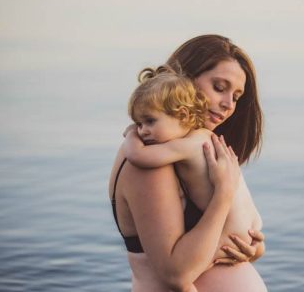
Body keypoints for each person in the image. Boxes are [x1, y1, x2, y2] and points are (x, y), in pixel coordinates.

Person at [109, 34, 267, 291]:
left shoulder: (196, 147)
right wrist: (223, 195)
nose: (228, 105)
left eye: (236, 96)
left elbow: (235, 233)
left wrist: (252, 247)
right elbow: (175, 274)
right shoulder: (150, 163)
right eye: (219, 87)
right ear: (182, 82)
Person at [122, 65, 262, 263]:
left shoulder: (187, 145)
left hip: (232, 230)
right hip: (249, 225)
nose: (143, 131)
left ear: (183, 115)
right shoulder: (205, 136)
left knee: (188, 272)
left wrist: (130, 134)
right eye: (139, 124)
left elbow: (139, 156)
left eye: (149, 121)